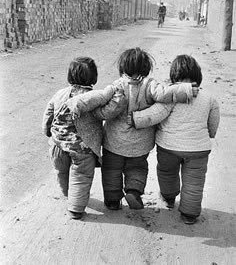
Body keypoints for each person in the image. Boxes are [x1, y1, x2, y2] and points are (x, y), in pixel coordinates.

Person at [98, 48, 198, 211]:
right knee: (137, 168)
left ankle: (112, 200)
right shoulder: (150, 84)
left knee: (111, 170)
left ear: (123, 67)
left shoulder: (117, 85)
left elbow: (104, 103)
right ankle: (133, 191)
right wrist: (186, 90)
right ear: (146, 67)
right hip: (140, 144)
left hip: (114, 142)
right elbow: (165, 94)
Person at [130, 54, 220, 224]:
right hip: (198, 150)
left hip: (169, 148)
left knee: (167, 173)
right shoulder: (209, 98)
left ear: (174, 75)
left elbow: (154, 115)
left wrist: (135, 119)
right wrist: (210, 134)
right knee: (194, 182)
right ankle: (189, 214)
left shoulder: (171, 96)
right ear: (197, 76)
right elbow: (213, 123)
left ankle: (169, 198)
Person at [42, 57, 126, 219]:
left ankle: (68, 194)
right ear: (93, 77)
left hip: (58, 145)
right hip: (83, 148)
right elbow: (107, 112)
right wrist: (119, 100)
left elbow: (48, 115)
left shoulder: (60, 94)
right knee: (81, 176)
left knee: (62, 172)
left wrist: (47, 131)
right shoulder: (93, 97)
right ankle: (75, 207)